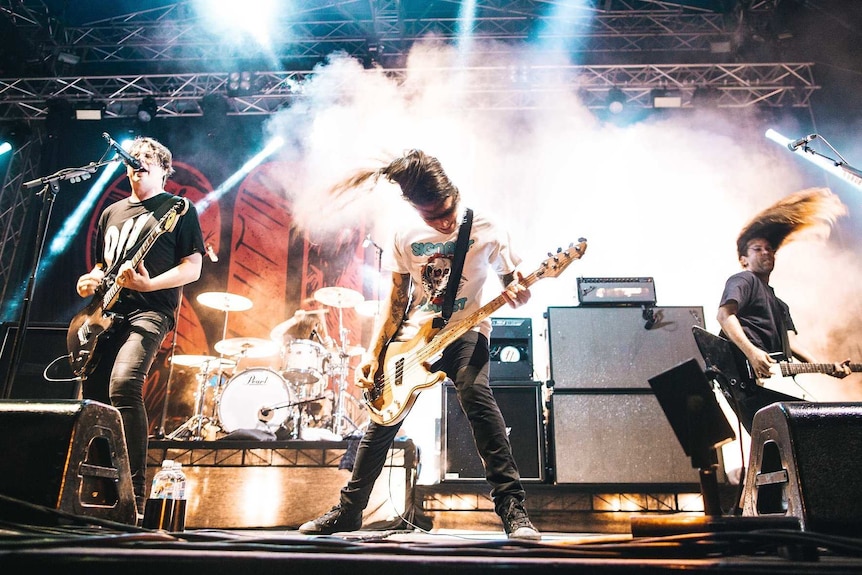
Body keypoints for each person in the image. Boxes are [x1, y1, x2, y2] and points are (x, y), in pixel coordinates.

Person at [298, 149, 540, 540]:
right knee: (381, 422)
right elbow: (395, 303)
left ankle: (513, 509)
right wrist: (374, 356)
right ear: (413, 207)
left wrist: (519, 292)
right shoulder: (404, 235)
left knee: (476, 396)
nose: (442, 221)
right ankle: (349, 511)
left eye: (446, 211)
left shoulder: (488, 228)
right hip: (413, 339)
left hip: (466, 329)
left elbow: (514, 281)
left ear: (455, 194)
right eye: (431, 217)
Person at [75, 136, 205, 518]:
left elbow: (192, 267)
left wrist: (149, 284)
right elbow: (103, 266)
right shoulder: (111, 212)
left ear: (164, 169)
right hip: (104, 314)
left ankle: (133, 497)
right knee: (94, 397)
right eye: (132, 158)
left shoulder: (177, 209)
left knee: (125, 384)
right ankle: (98, 494)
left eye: (146, 157)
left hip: (150, 310)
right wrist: (89, 278)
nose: (136, 162)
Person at [716, 187, 850, 431]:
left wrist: (826, 368)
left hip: (774, 381)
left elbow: (791, 345)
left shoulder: (779, 304)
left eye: (770, 249)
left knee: (806, 433)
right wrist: (753, 353)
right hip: (751, 379)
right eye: (757, 249)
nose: (766, 252)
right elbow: (725, 315)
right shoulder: (744, 280)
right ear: (744, 259)